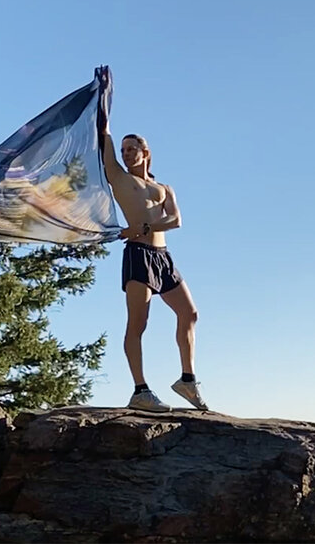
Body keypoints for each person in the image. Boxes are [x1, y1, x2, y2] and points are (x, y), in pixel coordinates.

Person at [97, 70, 207, 413]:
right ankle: (140, 390)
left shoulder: (164, 188)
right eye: (125, 150)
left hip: (163, 256)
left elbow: (176, 220)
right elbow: (104, 137)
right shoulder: (119, 178)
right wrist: (102, 97)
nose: (128, 154)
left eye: (134, 149)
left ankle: (187, 381)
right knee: (138, 323)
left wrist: (142, 224)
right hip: (138, 257)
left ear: (146, 153)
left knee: (190, 314)